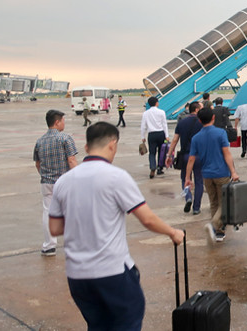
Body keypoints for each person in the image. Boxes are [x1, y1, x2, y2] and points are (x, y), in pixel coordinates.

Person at [49, 122, 184, 330]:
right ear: (112, 145)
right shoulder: (116, 177)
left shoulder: (63, 182)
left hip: (77, 276)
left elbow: (55, 229)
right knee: (127, 321)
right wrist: (173, 232)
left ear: (86, 147)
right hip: (111, 272)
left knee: (97, 325)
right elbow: (147, 219)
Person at [186, 108, 239, 242]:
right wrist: (233, 171)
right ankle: (214, 225)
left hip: (206, 175)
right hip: (221, 173)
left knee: (214, 202)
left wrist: (188, 178)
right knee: (225, 203)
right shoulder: (220, 133)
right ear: (213, 118)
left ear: (199, 120)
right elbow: (227, 153)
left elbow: (191, 159)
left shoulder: (196, 138)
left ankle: (218, 232)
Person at [34, 110, 78, 256]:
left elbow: (37, 164)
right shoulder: (65, 138)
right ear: (57, 122)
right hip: (64, 181)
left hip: (46, 182)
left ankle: (49, 246)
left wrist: (45, 175)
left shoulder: (40, 141)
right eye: (63, 121)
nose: (64, 123)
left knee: (48, 211)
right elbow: (71, 160)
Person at [167, 101, 204, 215]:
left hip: (185, 155)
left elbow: (174, 140)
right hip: (198, 155)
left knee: (185, 178)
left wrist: (169, 155)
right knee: (199, 181)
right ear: (197, 110)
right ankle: (196, 207)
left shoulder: (182, 122)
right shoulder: (202, 123)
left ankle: (188, 197)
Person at [140, 96, 169, 179]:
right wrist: (167, 135)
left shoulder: (146, 113)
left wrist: (143, 136)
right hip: (161, 133)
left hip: (151, 134)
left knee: (152, 152)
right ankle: (160, 168)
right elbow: (164, 124)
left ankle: (153, 167)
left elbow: (143, 126)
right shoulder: (161, 112)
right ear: (156, 103)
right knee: (161, 151)